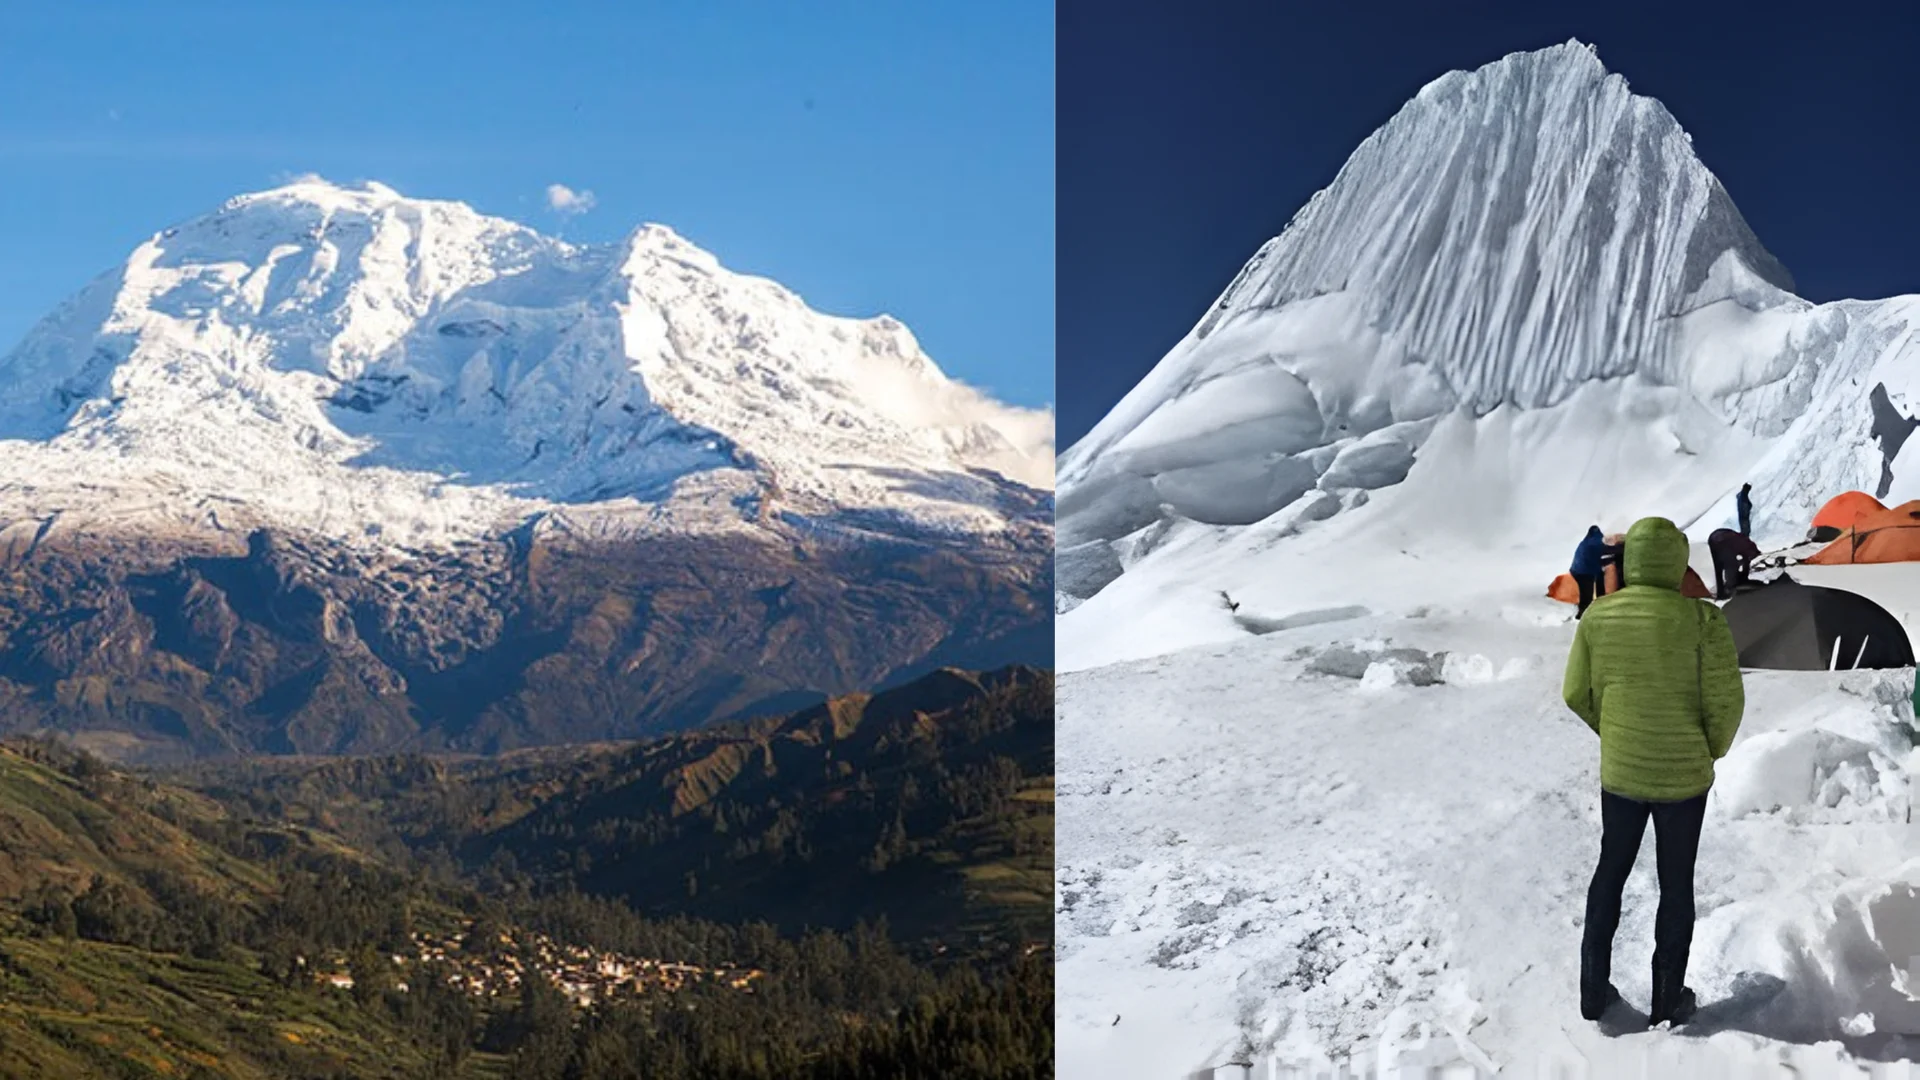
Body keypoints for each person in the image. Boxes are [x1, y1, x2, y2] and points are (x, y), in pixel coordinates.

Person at [1563, 516, 1744, 1027]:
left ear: (1632, 560)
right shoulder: (1704, 621)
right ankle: (1668, 1000)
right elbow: (1725, 702)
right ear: (1677, 560)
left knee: (1610, 872)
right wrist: (1707, 749)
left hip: (1622, 773)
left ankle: (1593, 993)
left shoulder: (1598, 617)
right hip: (1685, 779)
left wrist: (1619, 732)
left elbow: (1576, 693)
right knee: (1676, 883)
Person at [1708, 527, 1762, 600]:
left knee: (1719, 567)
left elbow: (1745, 559)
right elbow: (1745, 560)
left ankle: (1722, 590)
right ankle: (1731, 585)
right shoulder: (1747, 547)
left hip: (1715, 538)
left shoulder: (1746, 544)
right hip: (1722, 541)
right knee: (1730, 565)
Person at [1570, 525, 1609, 618]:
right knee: (1587, 594)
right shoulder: (1598, 542)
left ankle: (1593, 609)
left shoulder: (1585, 541)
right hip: (1584, 572)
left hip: (1576, 570)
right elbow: (1597, 560)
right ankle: (1583, 615)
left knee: (1587, 592)